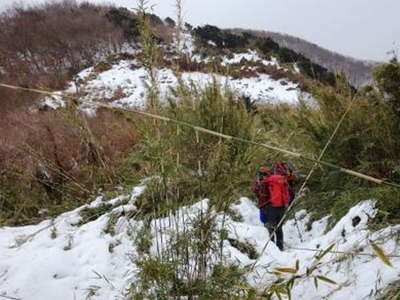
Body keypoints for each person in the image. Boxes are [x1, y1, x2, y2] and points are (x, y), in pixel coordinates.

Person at [262, 166, 289, 251]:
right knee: (279, 227)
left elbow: (262, 193)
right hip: (281, 207)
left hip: (271, 207)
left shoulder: (268, 181)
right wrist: (286, 204)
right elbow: (286, 193)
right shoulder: (282, 180)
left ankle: (272, 248)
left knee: (270, 227)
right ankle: (280, 247)